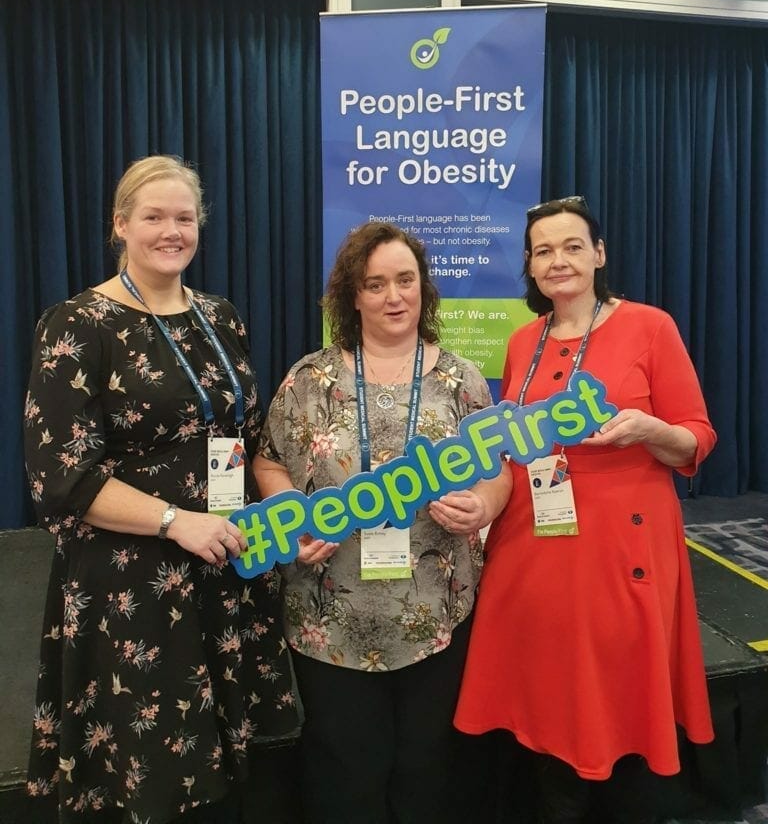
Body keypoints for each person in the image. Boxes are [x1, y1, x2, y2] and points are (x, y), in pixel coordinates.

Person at [23, 155, 301, 824]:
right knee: (148, 778)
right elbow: (62, 476)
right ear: (121, 225)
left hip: (223, 567)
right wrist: (179, 522)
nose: (170, 230)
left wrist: (282, 507)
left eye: (183, 217)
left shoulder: (220, 317)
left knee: (222, 781)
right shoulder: (77, 323)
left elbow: (248, 436)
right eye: (153, 216)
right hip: (132, 586)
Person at [454, 195, 717, 824]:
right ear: (530, 267)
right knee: (545, 694)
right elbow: (516, 450)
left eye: (572, 246)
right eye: (543, 251)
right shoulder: (523, 341)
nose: (558, 260)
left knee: (614, 692)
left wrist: (649, 430)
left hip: (621, 544)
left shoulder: (649, 326)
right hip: (535, 539)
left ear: (599, 255)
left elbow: (697, 437)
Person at [253, 220, 512, 824]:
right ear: (353, 296)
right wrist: (291, 516)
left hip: (436, 612)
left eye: (405, 280)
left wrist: (487, 504)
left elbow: (498, 468)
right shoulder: (309, 378)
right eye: (376, 284)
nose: (394, 296)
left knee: (427, 766)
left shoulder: (461, 379)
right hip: (330, 616)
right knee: (345, 769)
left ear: (424, 288)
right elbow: (268, 460)